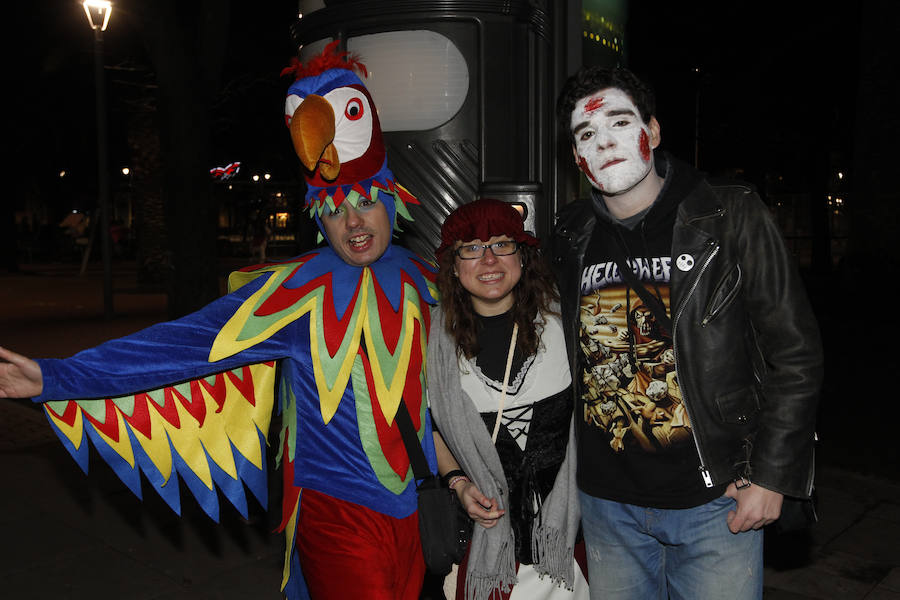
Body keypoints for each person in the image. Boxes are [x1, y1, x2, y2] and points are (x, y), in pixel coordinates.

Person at [0, 42, 438, 600]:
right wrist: (55, 377)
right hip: (336, 514)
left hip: (418, 512)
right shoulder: (294, 291)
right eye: (331, 208)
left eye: (364, 201)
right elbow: (176, 346)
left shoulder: (425, 280)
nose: (351, 220)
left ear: (391, 199)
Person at [550, 66, 823, 599]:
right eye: (586, 136)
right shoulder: (570, 233)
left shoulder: (728, 214)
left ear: (652, 131)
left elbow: (796, 352)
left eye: (619, 122)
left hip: (715, 501)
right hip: (607, 506)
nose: (604, 143)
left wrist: (771, 475)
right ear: (577, 158)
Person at [427, 198, 588, 600]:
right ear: (454, 262)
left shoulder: (565, 321)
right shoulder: (432, 341)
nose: (488, 260)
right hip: (486, 540)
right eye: (472, 248)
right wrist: (459, 484)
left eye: (501, 244)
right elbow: (427, 425)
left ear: (522, 255)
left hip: (573, 532)